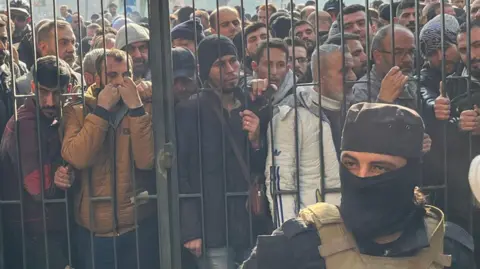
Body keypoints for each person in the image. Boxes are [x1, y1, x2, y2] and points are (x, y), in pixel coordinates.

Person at [242, 102, 474, 269]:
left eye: (379, 168)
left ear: (410, 171)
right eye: (351, 164)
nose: (361, 177)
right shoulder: (298, 245)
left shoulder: (449, 249)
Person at [61, 49, 158, 269]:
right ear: (97, 80)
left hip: (136, 224)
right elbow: (77, 156)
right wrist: (101, 110)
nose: (121, 82)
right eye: (113, 76)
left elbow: (146, 160)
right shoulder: (78, 109)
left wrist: (136, 109)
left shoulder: (144, 105)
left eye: (127, 75)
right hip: (96, 228)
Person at [176, 35, 264, 269]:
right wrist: (191, 229)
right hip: (211, 225)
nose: (230, 69)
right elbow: (180, 172)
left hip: (247, 223)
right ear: (205, 70)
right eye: (219, 64)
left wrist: (256, 140)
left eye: (233, 61)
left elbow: (261, 165)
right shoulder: (190, 109)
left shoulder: (249, 103)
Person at [265, 44, 355, 225]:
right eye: (344, 71)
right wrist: (290, 232)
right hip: (312, 227)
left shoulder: (353, 109)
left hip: (349, 225)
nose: (352, 77)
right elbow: (281, 182)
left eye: (352, 69)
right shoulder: (291, 115)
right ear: (321, 76)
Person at [0, 56, 73, 269]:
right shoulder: (26, 124)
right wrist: (68, 170)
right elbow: (39, 188)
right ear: (32, 87)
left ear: (67, 89)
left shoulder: (48, 120)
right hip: (36, 236)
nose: (50, 101)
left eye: (57, 93)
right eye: (43, 92)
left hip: (45, 230)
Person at [351, 24, 417, 110]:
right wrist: (383, 101)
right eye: (398, 52)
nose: (408, 59)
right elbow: (362, 123)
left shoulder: (413, 84)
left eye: (411, 52)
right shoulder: (362, 92)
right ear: (378, 56)